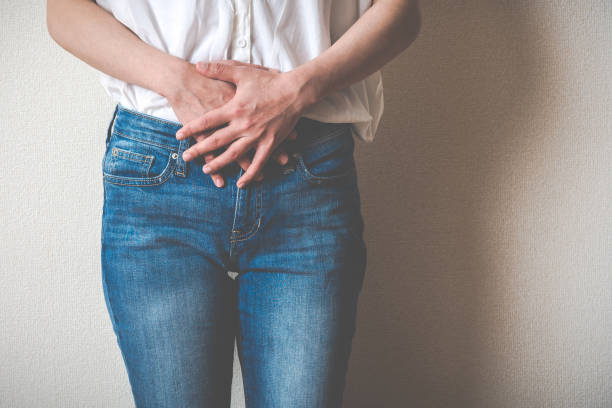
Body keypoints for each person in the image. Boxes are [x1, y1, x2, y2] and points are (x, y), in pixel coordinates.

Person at [46, 0, 421, 406]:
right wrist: (178, 82)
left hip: (305, 172)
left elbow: (402, 12)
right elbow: (63, 10)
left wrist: (296, 91)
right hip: (158, 175)